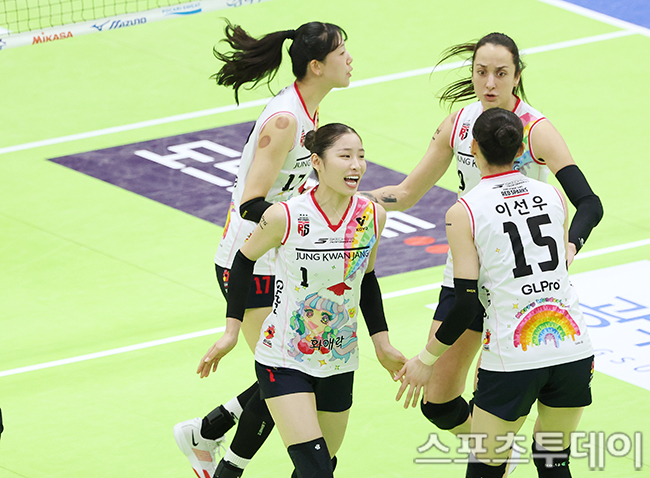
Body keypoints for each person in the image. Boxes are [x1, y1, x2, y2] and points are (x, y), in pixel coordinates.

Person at [361, 32, 602, 437]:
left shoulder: (536, 129)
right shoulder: (458, 124)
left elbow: (589, 204)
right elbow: (404, 194)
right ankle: (497, 453)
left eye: (501, 73)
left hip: (516, 285)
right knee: (438, 402)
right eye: (481, 72)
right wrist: (349, 197)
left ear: (517, 76)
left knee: (498, 396)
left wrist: (570, 246)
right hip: (465, 277)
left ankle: (495, 456)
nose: (490, 83)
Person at [173, 21, 354, 478]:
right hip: (248, 260)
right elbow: (252, 201)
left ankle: (206, 433)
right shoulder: (286, 119)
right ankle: (211, 448)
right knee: (283, 378)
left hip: (278, 259)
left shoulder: (310, 113)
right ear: (317, 66)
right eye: (341, 52)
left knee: (285, 376)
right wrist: (305, 224)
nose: (350, 59)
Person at [198, 123, 406, 478]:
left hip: (339, 360)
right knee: (317, 471)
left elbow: (367, 279)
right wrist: (231, 331)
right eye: (345, 156)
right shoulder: (285, 215)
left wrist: (382, 342)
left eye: (360, 156)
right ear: (317, 162)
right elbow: (243, 260)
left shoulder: (372, 216)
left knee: (323, 466)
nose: (356, 165)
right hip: (283, 359)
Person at [396, 107, 594, 478]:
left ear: (473, 147)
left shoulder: (464, 211)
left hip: (513, 357)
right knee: (553, 460)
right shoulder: (553, 195)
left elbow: (465, 301)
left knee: (487, 465)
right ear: (520, 150)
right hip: (573, 347)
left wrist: (426, 359)